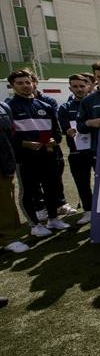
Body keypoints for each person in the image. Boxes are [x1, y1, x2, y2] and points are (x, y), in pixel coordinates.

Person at [5, 70, 69, 236]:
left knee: (51, 188)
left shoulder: (45, 106)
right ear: (12, 86)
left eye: (27, 82)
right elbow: (6, 137)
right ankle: (34, 225)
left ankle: (53, 219)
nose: (25, 86)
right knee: (28, 191)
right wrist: (24, 143)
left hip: (47, 156)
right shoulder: (9, 107)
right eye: (20, 83)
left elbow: (56, 132)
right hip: (25, 159)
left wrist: (54, 141)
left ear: (33, 83)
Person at [57, 74, 94, 225]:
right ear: (70, 88)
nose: (79, 89)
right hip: (77, 152)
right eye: (75, 86)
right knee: (82, 183)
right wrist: (69, 131)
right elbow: (65, 127)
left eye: (82, 86)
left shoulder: (95, 104)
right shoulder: (65, 107)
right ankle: (88, 211)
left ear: (88, 87)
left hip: (97, 151)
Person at [0, 100, 29, 253]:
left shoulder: (3, 107)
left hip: (3, 163)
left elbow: (11, 135)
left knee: (5, 201)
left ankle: (8, 238)